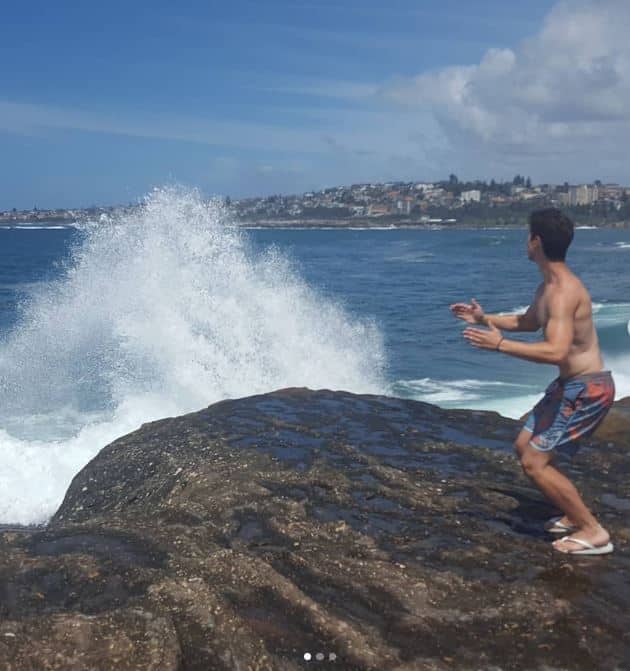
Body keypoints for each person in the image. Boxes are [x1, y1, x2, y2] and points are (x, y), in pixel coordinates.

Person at [450, 208, 616, 556]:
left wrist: (498, 345)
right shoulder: (548, 286)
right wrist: (484, 318)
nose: (525, 242)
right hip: (570, 385)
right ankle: (572, 514)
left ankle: (592, 530)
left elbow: (556, 350)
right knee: (524, 445)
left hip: (588, 390)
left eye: (528, 235)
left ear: (536, 241)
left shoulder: (563, 292)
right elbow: (527, 322)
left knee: (534, 462)